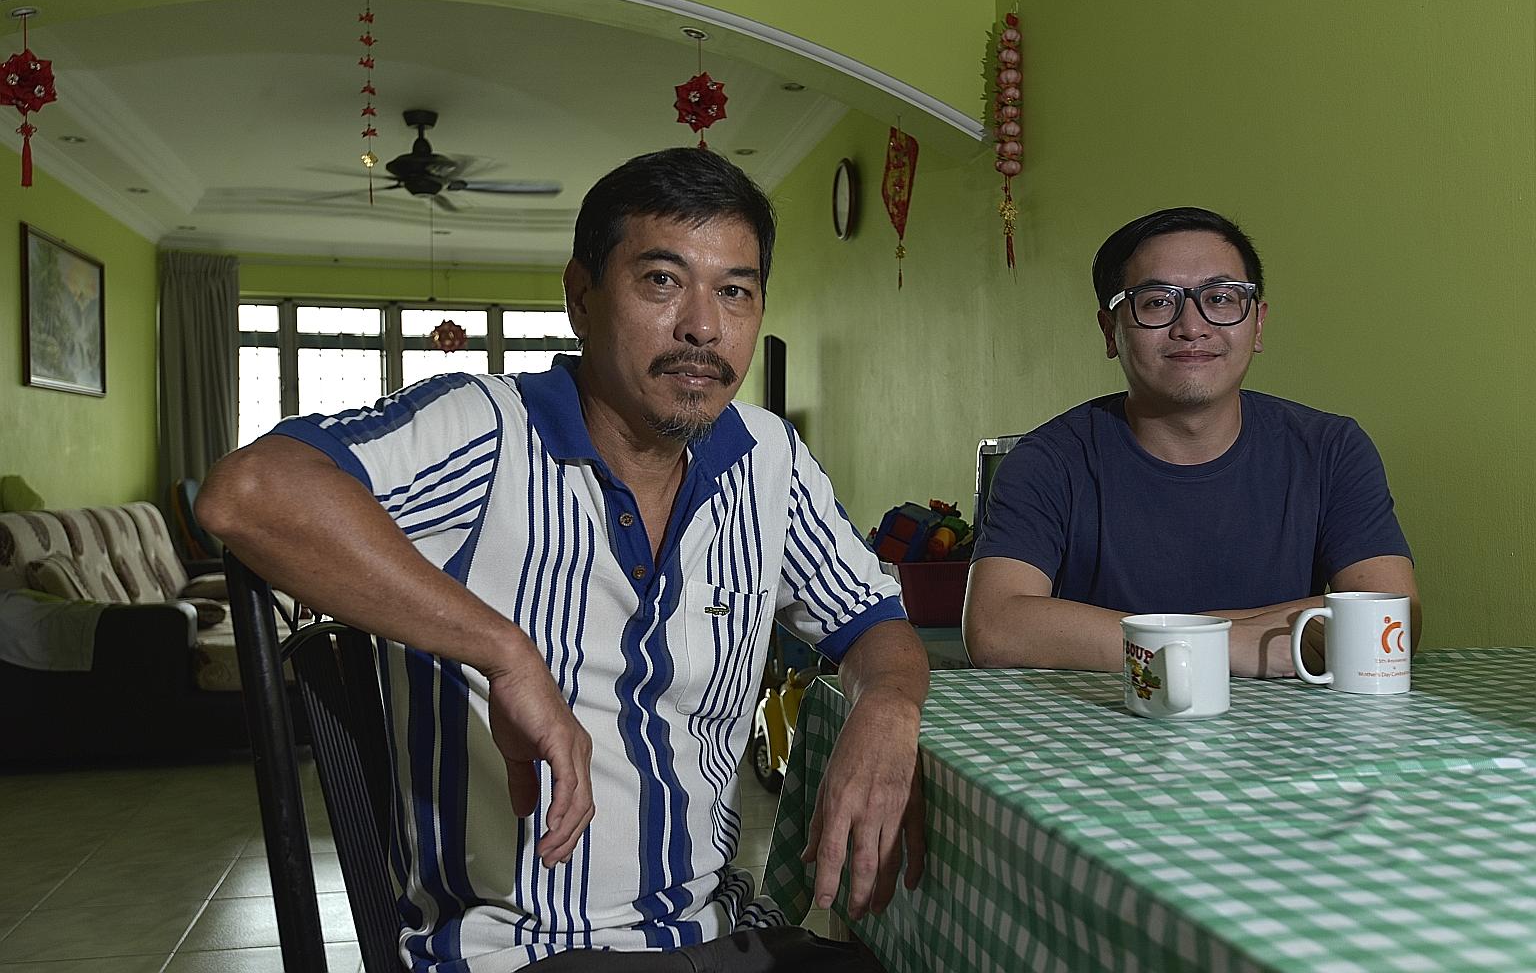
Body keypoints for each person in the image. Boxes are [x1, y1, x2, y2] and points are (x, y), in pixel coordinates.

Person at [199, 148, 928, 972]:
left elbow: (876, 621)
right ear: (582, 297)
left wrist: (888, 706)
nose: (703, 326)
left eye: (736, 289)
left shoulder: (768, 458)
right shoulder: (489, 431)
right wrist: (504, 650)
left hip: (719, 935)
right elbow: (248, 494)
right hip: (519, 952)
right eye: (662, 280)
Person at [964, 206, 1418, 677]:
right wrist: (1231, 646)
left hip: (1298, 739)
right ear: (1110, 330)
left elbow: (1390, 622)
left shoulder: (1331, 449)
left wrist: (1174, 638)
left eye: (1221, 298)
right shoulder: (1048, 462)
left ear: (1257, 323)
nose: (1192, 326)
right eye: (1158, 302)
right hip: (1107, 730)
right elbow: (995, 629)